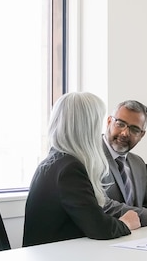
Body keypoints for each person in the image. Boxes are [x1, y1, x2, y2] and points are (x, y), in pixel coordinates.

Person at [23, 92, 141, 247]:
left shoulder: (55, 161)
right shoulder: (70, 169)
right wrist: (126, 223)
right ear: (87, 128)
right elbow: (99, 227)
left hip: (52, 257)